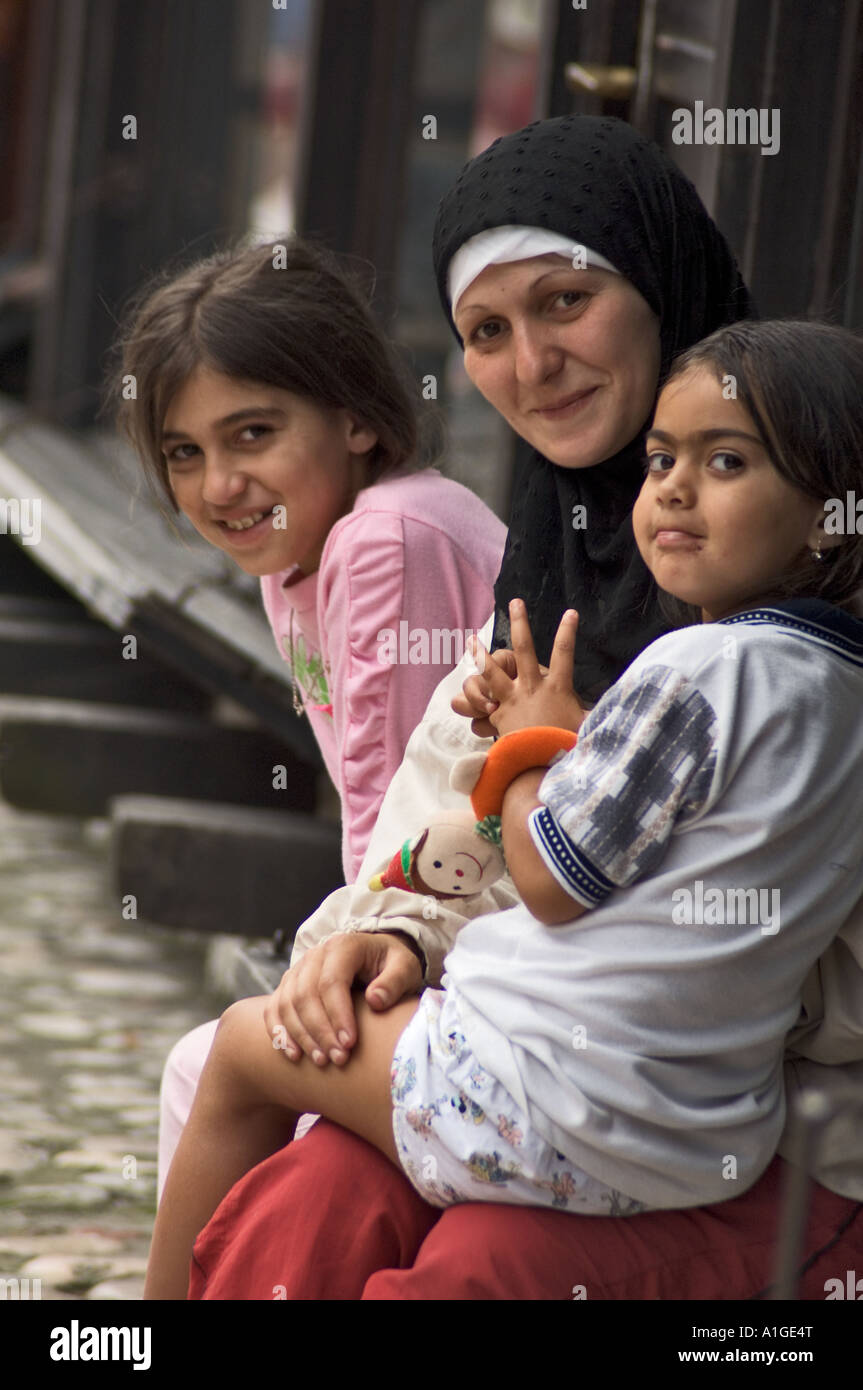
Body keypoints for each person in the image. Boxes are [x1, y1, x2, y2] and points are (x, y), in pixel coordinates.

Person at [181, 117, 858, 1300]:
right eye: (485, 332)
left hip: (778, 1136)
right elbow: (422, 847)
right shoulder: (535, 607)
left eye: (565, 302)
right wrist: (397, 937)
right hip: (539, 1080)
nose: (530, 365)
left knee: (483, 1264)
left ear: (658, 283)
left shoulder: (786, 663)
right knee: (307, 1201)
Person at [112, 237, 506, 1190]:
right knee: (205, 1069)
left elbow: (396, 824)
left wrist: (339, 966)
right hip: (431, 922)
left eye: (253, 435)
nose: (218, 487)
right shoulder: (299, 551)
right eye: (185, 453)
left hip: (471, 936)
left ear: (357, 417)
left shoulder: (383, 536)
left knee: (209, 1074)